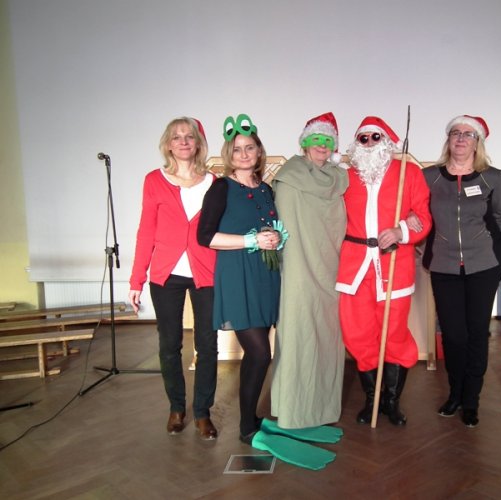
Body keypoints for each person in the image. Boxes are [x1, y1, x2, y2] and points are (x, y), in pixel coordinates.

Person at [336, 116, 432, 426]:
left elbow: (423, 218)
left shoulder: (409, 174)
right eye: (362, 139)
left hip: (393, 265)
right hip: (354, 267)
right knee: (357, 334)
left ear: (387, 141)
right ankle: (371, 399)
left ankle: (390, 401)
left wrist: (401, 230)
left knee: (394, 334)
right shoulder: (346, 177)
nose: (368, 143)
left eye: (375, 137)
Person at [197, 114, 286, 443]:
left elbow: (269, 229)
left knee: (258, 354)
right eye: (237, 149)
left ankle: (252, 419)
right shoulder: (221, 188)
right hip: (238, 277)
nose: (244, 154)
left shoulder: (266, 189)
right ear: (228, 155)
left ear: (259, 151)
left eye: (250, 148)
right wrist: (251, 240)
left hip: (265, 276)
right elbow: (205, 236)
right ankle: (246, 426)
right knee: (261, 353)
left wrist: (276, 237)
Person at [128, 117, 219, 439]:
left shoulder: (215, 182)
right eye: (176, 137)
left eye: (189, 136)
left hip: (206, 272)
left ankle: (203, 412)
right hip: (166, 275)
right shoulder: (154, 180)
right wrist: (136, 280)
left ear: (198, 143)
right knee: (169, 345)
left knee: (207, 345)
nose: (183, 142)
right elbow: (146, 232)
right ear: (168, 144)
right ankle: (176, 408)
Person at [422, 115, 501, 428]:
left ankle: (471, 400)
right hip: (443, 266)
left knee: (476, 333)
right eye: (455, 133)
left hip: (482, 266)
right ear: (448, 139)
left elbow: (499, 218)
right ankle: (455, 393)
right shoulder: (429, 176)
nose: (461, 138)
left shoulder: (493, 177)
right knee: (453, 335)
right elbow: (420, 214)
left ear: (477, 142)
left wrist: (486, 247)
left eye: (468, 134)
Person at [270, 112, 349, 429]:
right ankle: (293, 408)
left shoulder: (340, 178)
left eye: (327, 140)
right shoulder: (289, 177)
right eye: (316, 139)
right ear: (304, 143)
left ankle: (322, 407)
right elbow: (283, 222)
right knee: (299, 332)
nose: (322, 145)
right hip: (298, 269)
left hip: (331, 267)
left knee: (327, 335)